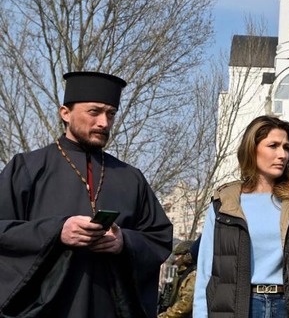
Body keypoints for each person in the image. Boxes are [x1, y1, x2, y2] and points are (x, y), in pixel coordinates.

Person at [0, 71, 173, 317]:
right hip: (45, 309)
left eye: (111, 113)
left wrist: (125, 242)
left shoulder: (130, 177)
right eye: (94, 112)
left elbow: (159, 237)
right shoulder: (27, 168)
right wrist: (56, 232)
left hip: (110, 307)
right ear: (65, 113)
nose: (104, 122)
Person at [193, 115, 289, 318]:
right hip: (238, 307)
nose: (282, 154)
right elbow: (205, 273)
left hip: (288, 307)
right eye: (273, 145)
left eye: (286, 147)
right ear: (252, 148)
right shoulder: (225, 204)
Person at [158, 238, 200, 318]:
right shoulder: (177, 273)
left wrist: (166, 316)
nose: (176, 259)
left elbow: (185, 304)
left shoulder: (192, 275)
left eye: (179, 255)